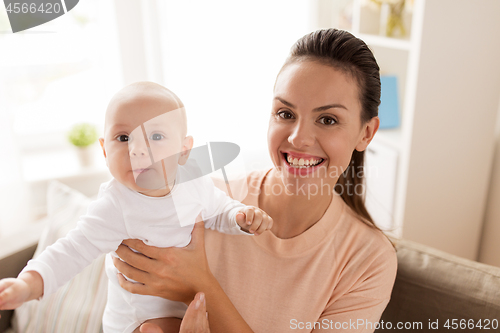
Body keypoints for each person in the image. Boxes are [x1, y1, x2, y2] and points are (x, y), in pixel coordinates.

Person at [112, 28, 398, 333]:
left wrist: (199, 284)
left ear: (366, 133)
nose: (298, 137)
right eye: (285, 113)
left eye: (327, 120)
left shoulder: (368, 260)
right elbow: (128, 307)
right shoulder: (203, 202)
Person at [0, 82, 273, 333]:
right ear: (105, 150)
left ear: (184, 151)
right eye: (123, 138)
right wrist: (28, 284)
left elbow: (219, 209)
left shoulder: (194, 183)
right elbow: (72, 250)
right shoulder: (115, 205)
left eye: (155, 136)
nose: (138, 149)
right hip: (135, 319)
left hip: (184, 304)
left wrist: (240, 217)